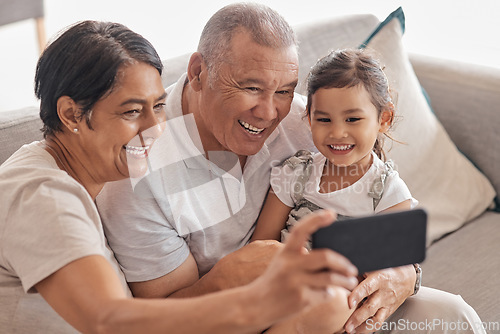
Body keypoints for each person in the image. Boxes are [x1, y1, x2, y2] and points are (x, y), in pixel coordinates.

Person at [97, 3, 486, 334]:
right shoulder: (136, 176)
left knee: (455, 317)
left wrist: (403, 274)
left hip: (334, 294)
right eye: (251, 88)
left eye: (284, 90)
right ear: (199, 72)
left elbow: (383, 218)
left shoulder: (308, 124)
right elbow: (162, 319)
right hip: (233, 319)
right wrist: (227, 278)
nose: (270, 113)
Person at [0, 20, 361, 333]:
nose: (155, 129)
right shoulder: (41, 195)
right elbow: (109, 320)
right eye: (131, 112)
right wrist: (255, 300)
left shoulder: (90, 179)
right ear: (71, 114)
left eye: (158, 106)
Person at [251, 48, 417, 244]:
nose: (337, 133)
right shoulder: (294, 173)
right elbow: (260, 247)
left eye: (353, 119)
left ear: (384, 119)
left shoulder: (390, 194)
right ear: (310, 120)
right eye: (324, 119)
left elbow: (389, 269)